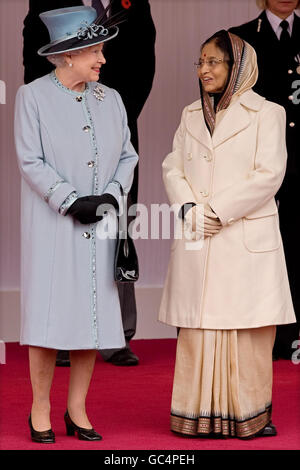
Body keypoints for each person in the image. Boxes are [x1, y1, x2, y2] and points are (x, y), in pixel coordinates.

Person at [159, 30, 296, 439]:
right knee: (200, 330)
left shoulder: (267, 113)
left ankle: (249, 415)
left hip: (242, 238)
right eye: (200, 62)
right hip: (199, 234)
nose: (203, 69)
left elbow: (269, 175)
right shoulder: (189, 114)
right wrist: (188, 208)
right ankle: (195, 416)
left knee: (246, 333)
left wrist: (218, 212)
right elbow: (172, 166)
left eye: (213, 61)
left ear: (236, 66)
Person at [14, 6, 138, 443]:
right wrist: (70, 200)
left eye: (102, 49)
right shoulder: (33, 97)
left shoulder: (114, 99)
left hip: (100, 225)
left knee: (93, 317)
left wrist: (110, 197)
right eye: (95, 50)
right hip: (53, 226)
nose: (102, 59)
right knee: (50, 320)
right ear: (67, 55)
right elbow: (30, 160)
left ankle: (78, 408)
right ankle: (40, 409)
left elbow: (128, 155)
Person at [23, 0, 156, 367]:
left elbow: (144, 65)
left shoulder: (135, 4)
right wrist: (58, 107)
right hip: (57, 132)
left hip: (114, 130)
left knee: (117, 232)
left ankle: (116, 333)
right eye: (97, 50)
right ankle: (63, 336)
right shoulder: (46, 5)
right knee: (63, 244)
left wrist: (113, 115)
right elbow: (31, 60)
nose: (104, 56)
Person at [229, 1, 300, 360]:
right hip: (255, 163)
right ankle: (263, 333)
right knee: (260, 245)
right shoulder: (238, 39)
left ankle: (295, 336)